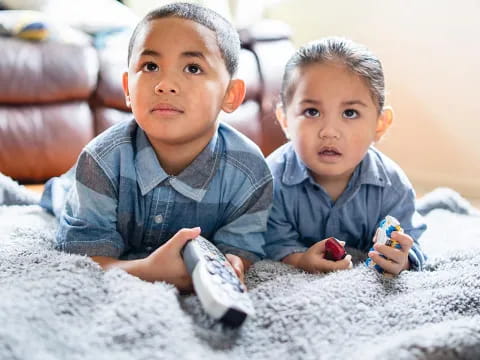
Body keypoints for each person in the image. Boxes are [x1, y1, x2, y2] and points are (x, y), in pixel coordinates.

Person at [39, 3, 273, 291]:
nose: (165, 84)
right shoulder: (100, 160)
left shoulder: (250, 173)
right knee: (59, 197)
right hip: (80, 193)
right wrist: (145, 270)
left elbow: (242, 247)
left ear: (230, 94)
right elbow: (84, 260)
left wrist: (235, 263)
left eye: (193, 68)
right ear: (127, 88)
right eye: (150, 66)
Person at [264, 37, 427, 276]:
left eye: (350, 113)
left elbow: (411, 241)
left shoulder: (392, 185)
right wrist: (299, 260)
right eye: (312, 111)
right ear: (285, 120)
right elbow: (271, 242)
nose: (329, 131)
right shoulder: (270, 181)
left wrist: (402, 260)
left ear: (380, 125)